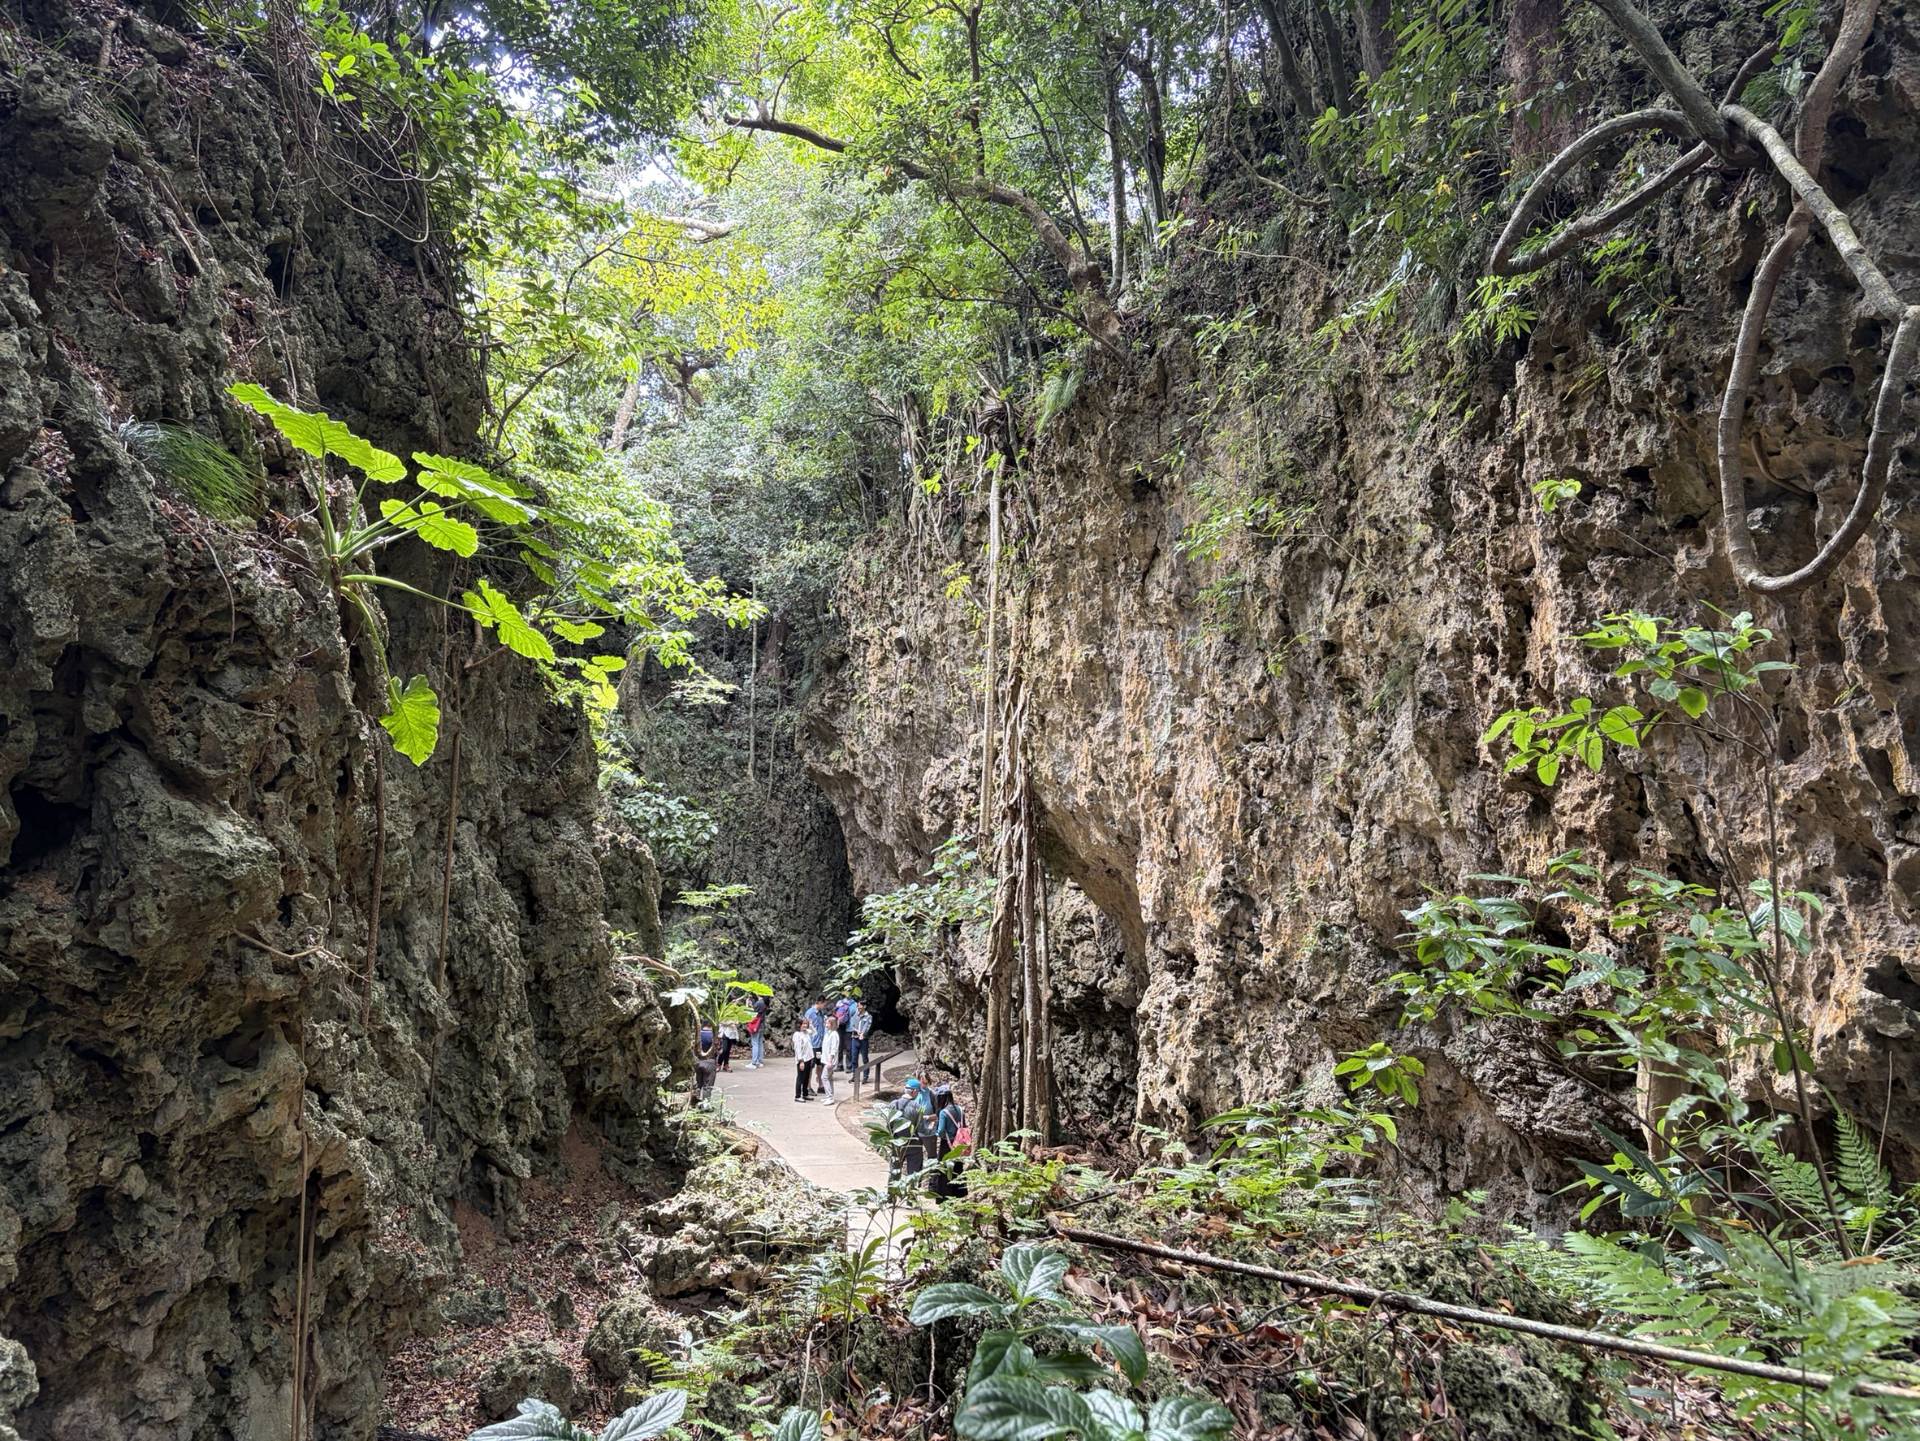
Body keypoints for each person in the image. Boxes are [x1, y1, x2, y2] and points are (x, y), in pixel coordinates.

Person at [929, 1085, 970, 1199]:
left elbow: (941, 1130)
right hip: (959, 1144)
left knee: (945, 1170)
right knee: (958, 1168)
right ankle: (959, 1194)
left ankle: (945, 1195)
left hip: (947, 1144)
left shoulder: (943, 1112)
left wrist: (937, 1134)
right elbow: (963, 1125)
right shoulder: (960, 1109)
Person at [791, 1019, 816, 1103]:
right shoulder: (797, 1035)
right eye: (803, 1024)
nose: (805, 1025)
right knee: (800, 1077)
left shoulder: (806, 1032)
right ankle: (798, 1096)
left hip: (809, 1058)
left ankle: (805, 1093)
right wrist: (801, 1061)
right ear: (799, 1025)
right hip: (802, 1059)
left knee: (806, 1077)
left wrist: (810, 1023)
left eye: (806, 1024)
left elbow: (814, 1032)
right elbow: (797, 1049)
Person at [819, 1016, 842, 1103]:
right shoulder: (828, 1033)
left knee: (824, 1077)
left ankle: (830, 1097)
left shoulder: (834, 1035)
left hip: (830, 1061)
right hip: (826, 1059)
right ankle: (829, 1095)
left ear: (832, 1024)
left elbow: (833, 1049)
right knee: (829, 1078)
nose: (826, 1024)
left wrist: (830, 1061)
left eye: (828, 1023)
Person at [693, 1026, 718, 1106]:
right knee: (707, 1086)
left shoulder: (697, 1035)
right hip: (709, 1062)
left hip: (698, 1062)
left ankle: (694, 1103)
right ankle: (705, 1105)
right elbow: (720, 1050)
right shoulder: (713, 1036)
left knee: (698, 1084)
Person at [852, 1003, 875, 1083]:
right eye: (857, 1006)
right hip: (855, 1038)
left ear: (864, 1006)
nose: (858, 1007)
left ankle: (865, 1076)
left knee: (864, 1058)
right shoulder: (856, 1015)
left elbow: (867, 1026)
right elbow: (853, 1025)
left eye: (860, 1006)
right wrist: (856, 1031)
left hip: (863, 1040)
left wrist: (862, 1033)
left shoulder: (868, 1016)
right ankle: (855, 1076)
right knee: (854, 1058)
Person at [747, 996, 768, 1069]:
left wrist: (748, 1004)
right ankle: (759, 1061)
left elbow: (751, 1012)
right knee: (760, 1043)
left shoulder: (759, 1003)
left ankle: (754, 1062)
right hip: (761, 1025)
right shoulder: (765, 1003)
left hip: (756, 1026)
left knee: (755, 1043)